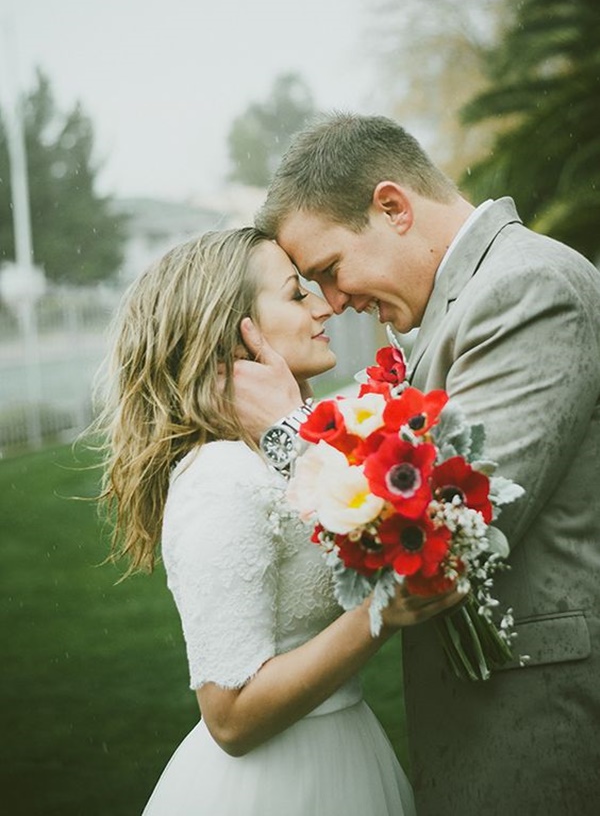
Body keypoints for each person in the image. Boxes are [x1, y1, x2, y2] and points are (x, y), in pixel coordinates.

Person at [229, 113, 600, 815]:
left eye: (330, 271)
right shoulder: (466, 301)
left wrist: (286, 432)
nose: (334, 304)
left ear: (393, 207)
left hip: (540, 727)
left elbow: (446, 527)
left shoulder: (527, 288)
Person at [96, 227, 460, 815]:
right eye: (297, 294)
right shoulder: (219, 477)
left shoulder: (279, 452)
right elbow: (230, 716)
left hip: (346, 748)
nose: (324, 306)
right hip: (280, 783)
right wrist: (378, 615)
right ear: (235, 329)